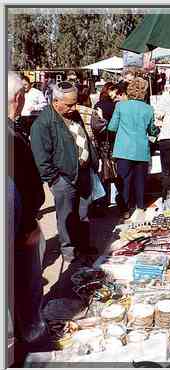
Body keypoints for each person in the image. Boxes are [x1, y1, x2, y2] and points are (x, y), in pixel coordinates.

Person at [30, 81, 99, 264]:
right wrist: (55, 179)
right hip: (63, 179)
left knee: (83, 213)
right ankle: (69, 250)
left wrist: (91, 160)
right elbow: (41, 158)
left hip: (82, 173)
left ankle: (83, 246)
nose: (74, 107)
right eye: (69, 104)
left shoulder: (73, 114)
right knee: (66, 216)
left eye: (75, 102)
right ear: (55, 102)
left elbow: (83, 138)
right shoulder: (43, 123)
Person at [7, 72, 50, 353]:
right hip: (19, 227)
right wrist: (26, 225)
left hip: (20, 223)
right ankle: (28, 340)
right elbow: (21, 185)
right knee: (23, 286)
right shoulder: (9, 134)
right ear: (18, 98)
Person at [108, 77, 159, 221]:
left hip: (123, 149)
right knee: (140, 182)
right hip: (141, 150)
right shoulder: (149, 109)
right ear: (144, 92)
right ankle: (140, 209)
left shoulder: (120, 106)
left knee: (124, 181)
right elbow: (152, 131)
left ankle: (125, 211)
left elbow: (112, 127)